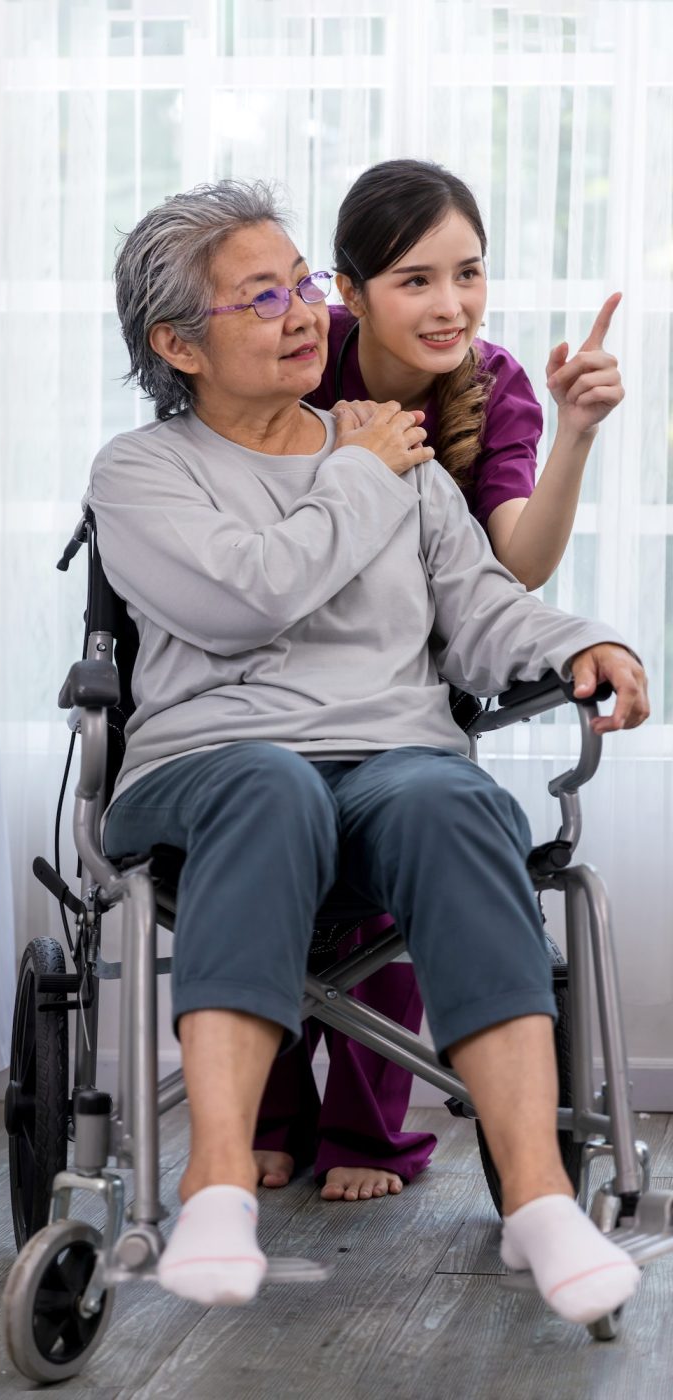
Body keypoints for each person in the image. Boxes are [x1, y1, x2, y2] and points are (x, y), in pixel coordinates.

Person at [85, 179, 648, 1322]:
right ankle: (214, 1185)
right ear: (174, 343)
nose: (300, 312)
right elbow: (245, 600)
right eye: (261, 296)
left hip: (385, 764)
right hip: (211, 772)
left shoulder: (413, 474)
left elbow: (487, 614)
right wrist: (355, 465)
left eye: (300, 283)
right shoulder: (143, 474)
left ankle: (540, 1201)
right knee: (268, 779)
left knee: (447, 794)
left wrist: (586, 637)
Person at [255, 158, 626, 1204]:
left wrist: (576, 435)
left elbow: (514, 565)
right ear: (347, 288)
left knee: (401, 848)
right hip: (275, 663)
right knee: (272, 843)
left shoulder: (494, 383)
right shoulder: (296, 358)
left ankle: (367, 1129)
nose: (449, 303)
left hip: (413, 678)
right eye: (415, 279)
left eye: (467, 273)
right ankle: (270, 1116)